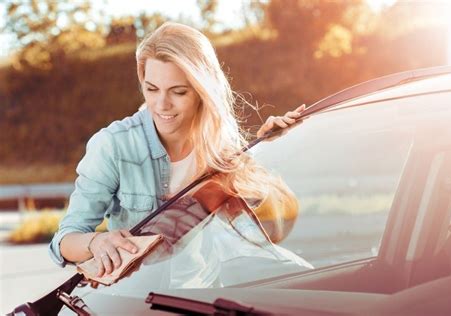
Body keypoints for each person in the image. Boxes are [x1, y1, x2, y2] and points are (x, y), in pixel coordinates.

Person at [48, 22, 305, 278]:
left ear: (202, 91)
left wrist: (266, 151)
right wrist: (95, 243)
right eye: (151, 89)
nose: (162, 105)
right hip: (138, 298)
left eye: (178, 92)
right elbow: (64, 241)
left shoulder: (221, 145)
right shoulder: (114, 145)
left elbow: (275, 229)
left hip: (206, 294)